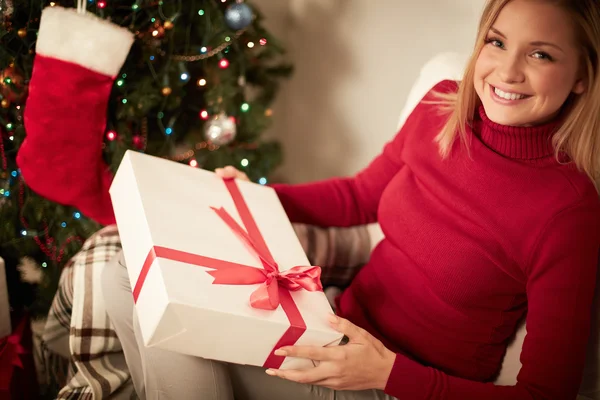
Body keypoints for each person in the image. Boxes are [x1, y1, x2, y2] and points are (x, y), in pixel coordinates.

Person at [17, 0, 600, 398]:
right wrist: (252, 196)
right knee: (122, 273)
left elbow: (546, 393)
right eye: (497, 41)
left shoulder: (568, 212)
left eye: (541, 54)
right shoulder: (442, 106)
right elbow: (359, 196)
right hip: (328, 322)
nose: (507, 69)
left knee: (163, 335)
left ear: (581, 76)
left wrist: (389, 372)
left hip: (384, 385)